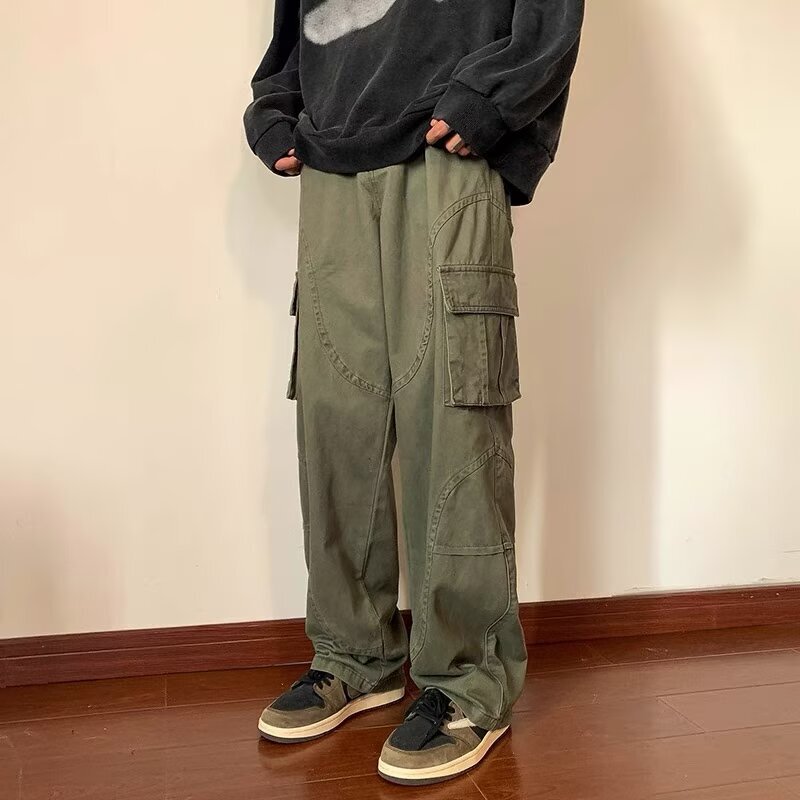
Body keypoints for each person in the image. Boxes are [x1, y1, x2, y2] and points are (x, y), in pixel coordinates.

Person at [244, 0, 584, 785]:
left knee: (453, 419)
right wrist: (275, 107)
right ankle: (353, 655)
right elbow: (297, 26)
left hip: (444, 146)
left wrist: (492, 98)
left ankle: (466, 682)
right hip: (332, 158)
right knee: (336, 419)